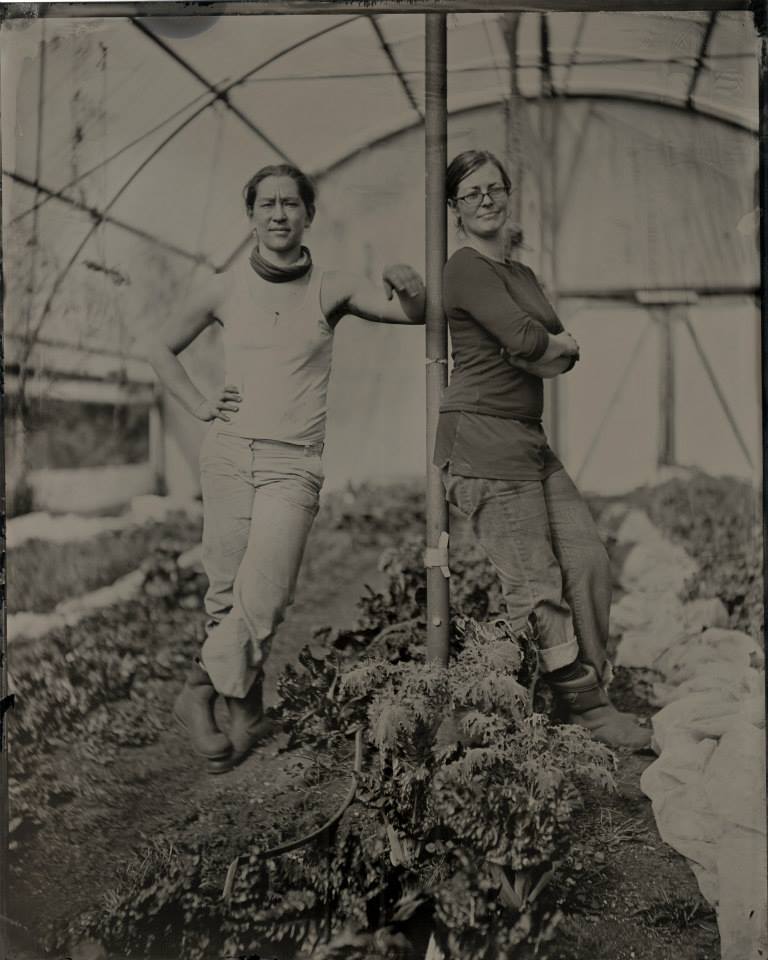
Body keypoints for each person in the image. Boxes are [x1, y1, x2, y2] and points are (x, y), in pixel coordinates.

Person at [142, 163, 425, 773]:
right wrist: (198, 403)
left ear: (307, 215)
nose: (278, 214)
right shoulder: (222, 288)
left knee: (265, 595)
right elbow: (158, 347)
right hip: (228, 455)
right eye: (266, 204)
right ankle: (245, 709)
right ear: (251, 216)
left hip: (292, 463)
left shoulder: (333, 286)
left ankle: (195, 691)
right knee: (226, 593)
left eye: (290, 204)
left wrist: (410, 285)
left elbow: (413, 314)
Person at [435, 149, 649, 751]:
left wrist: (545, 346)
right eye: (471, 192)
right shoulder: (465, 267)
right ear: (454, 207)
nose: (485, 199)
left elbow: (558, 350)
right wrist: (544, 344)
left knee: (588, 560)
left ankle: (568, 685)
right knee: (535, 586)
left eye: (494, 188)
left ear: (508, 194)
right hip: (482, 440)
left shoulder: (521, 275)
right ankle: (578, 705)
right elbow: (533, 337)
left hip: (530, 438)